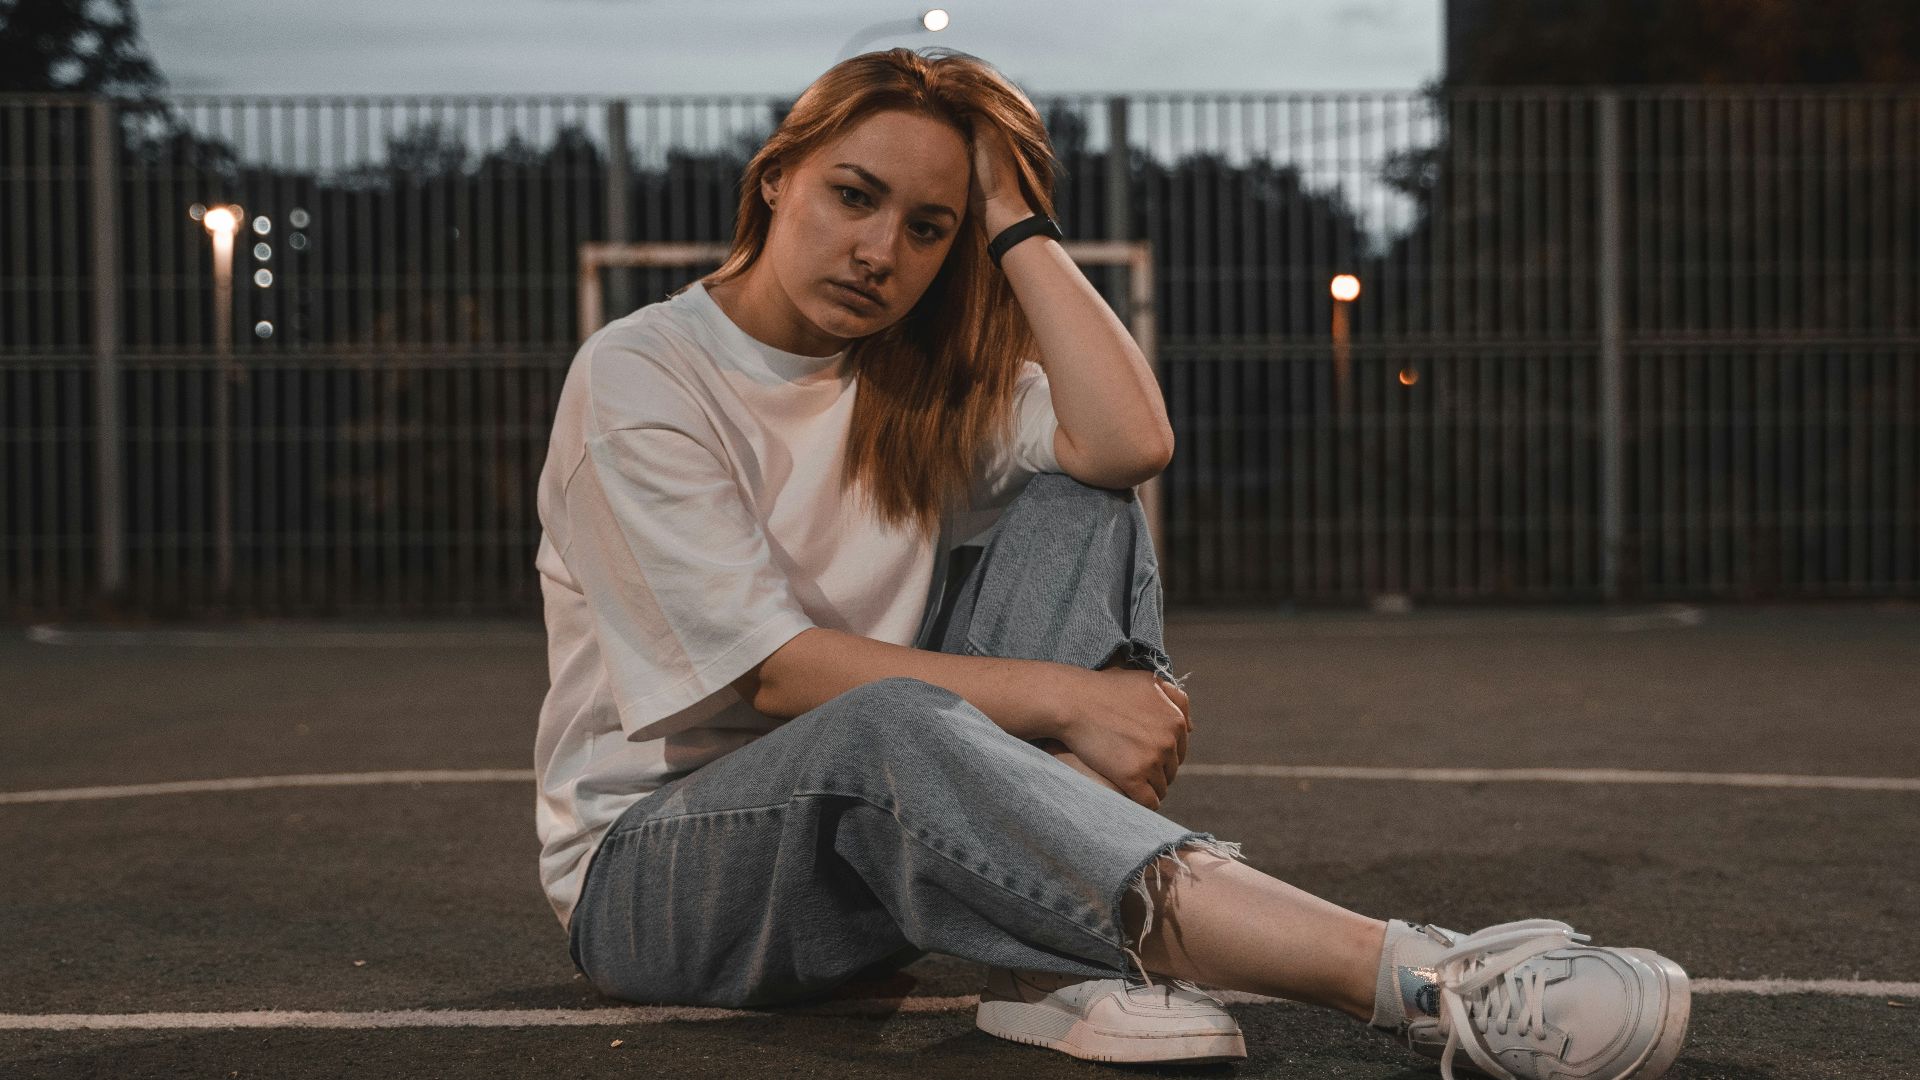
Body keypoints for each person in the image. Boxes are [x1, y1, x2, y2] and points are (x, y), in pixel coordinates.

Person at [531, 47, 1691, 1079]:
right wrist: (1073, 697)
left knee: (1083, 501)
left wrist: (1015, 221)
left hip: (891, 842)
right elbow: (771, 676)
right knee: (886, 718)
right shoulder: (641, 377)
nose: (880, 251)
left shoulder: (910, 379)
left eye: (928, 226)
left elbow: (1128, 443)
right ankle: (1426, 983)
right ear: (777, 173)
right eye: (853, 195)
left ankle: (1055, 962)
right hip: (665, 882)